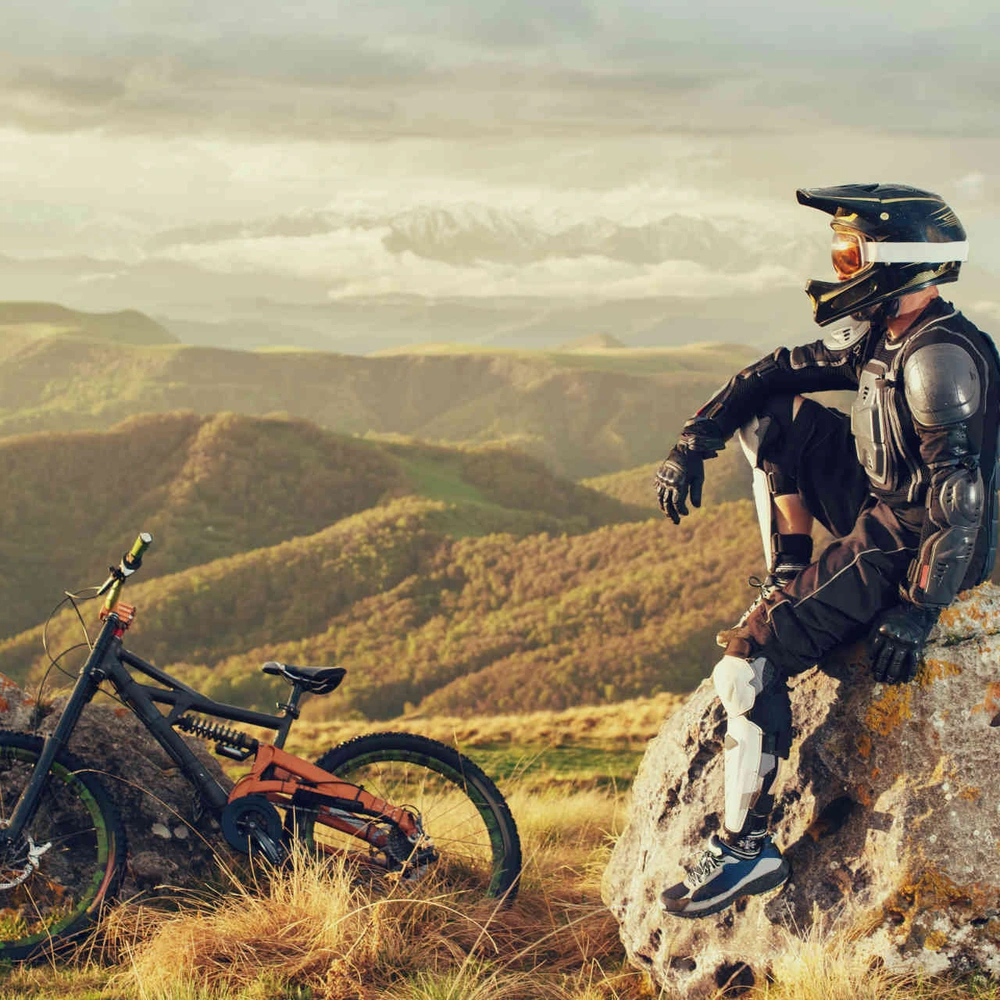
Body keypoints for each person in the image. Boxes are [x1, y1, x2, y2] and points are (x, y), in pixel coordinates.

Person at [654, 183, 1000, 919]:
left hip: (910, 539)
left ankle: (745, 849)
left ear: (899, 261)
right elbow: (772, 373)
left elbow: (958, 500)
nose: (840, 267)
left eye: (851, 252)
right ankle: (790, 572)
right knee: (774, 419)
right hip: (884, 498)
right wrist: (696, 441)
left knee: (746, 664)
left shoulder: (936, 358)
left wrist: (918, 608)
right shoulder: (889, 334)